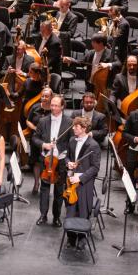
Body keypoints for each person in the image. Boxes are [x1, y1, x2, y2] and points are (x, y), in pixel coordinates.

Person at [33, 95, 72, 227]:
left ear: (62, 107)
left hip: (60, 160)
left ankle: (56, 217)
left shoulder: (69, 122)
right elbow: (35, 138)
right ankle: (43, 215)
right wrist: (44, 145)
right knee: (44, 189)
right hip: (46, 160)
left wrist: (61, 150)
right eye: (52, 105)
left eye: (56, 105)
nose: (53, 108)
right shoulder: (43, 121)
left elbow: (71, 142)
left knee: (58, 191)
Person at [63, 116, 102, 248]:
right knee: (70, 209)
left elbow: (95, 168)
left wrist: (80, 178)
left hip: (84, 183)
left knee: (83, 210)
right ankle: (71, 237)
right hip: (71, 182)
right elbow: (67, 156)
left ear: (84, 128)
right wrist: (69, 163)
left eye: (76, 127)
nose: (73, 128)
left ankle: (82, 237)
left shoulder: (93, 145)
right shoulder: (72, 140)